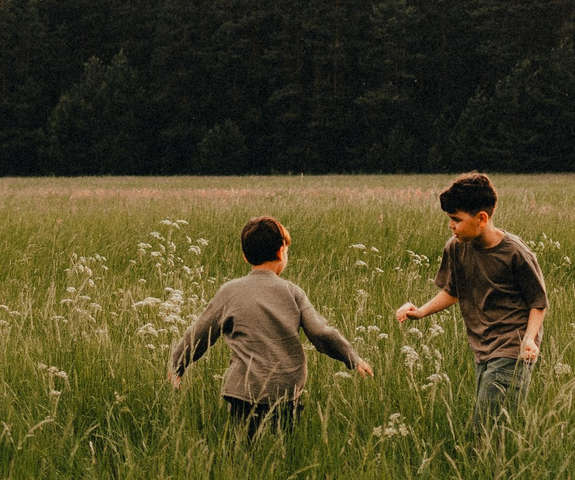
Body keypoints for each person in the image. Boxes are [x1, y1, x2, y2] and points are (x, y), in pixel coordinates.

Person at [169, 215, 371, 439]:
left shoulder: (230, 291)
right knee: (283, 446)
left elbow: (199, 332)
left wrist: (177, 366)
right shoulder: (293, 292)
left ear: (245, 256)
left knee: (245, 450)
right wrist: (352, 358)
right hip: (285, 391)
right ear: (282, 250)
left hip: (244, 391)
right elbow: (320, 331)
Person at [394, 171, 547, 434]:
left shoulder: (515, 253)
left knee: (486, 430)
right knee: (494, 430)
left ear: (482, 219)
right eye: (449, 219)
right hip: (482, 349)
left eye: (456, 219)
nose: (451, 226)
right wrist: (420, 312)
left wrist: (530, 339)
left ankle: (490, 472)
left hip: (512, 349)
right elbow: (453, 292)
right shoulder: (456, 247)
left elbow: (538, 302)